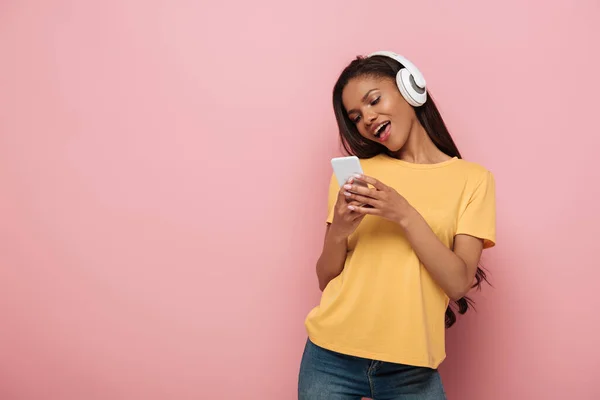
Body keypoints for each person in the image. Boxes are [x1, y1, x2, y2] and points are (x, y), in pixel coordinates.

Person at [298, 51, 496, 399]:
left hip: (411, 369)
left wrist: (402, 213)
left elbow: (459, 282)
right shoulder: (355, 174)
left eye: (374, 100)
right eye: (356, 116)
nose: (368, 119)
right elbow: (325, 277)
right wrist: (341, 229)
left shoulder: (473, 180)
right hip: (330, 357)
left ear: (411, 88)